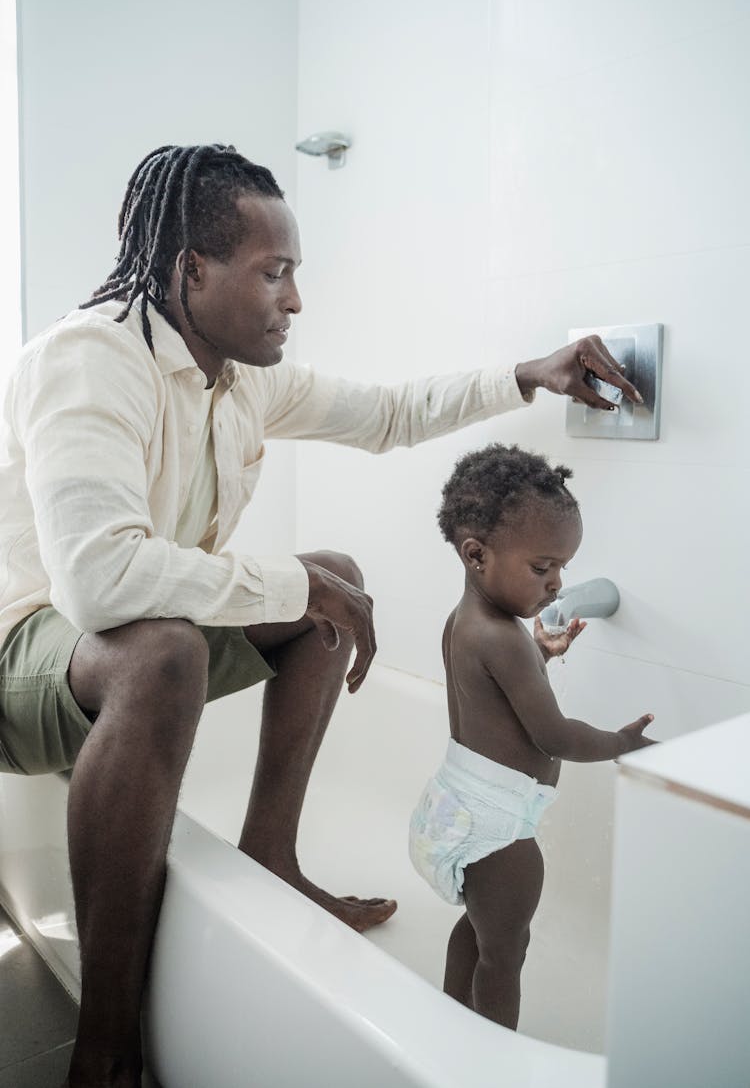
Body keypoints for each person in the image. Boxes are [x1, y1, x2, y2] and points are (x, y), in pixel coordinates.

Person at [0, 143, 640, 1088]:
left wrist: (526, 375)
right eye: (276, 273)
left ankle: (271, 854)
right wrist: (288, 584)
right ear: (193, 271)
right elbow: (99, 584)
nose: (294, 300)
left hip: (131, 650)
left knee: (329, 577)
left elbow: (387, 415)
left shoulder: (239, 377)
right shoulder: (89, 359)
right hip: (25, 653)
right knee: (183, 639)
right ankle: (104, 1047)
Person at [408, 443, 655, 1029]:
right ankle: (493, 1059)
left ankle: (450, 1025)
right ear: (477, 555)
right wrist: (622, 743)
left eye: (562, 568)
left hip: (458, 803)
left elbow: (492, 700)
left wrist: (538, 656)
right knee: (505, 955)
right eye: (542, 568)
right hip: (498, 831)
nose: (556, 583)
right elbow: (556, 737)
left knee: (479, 929)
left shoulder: (468, 622)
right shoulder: (504, 639)